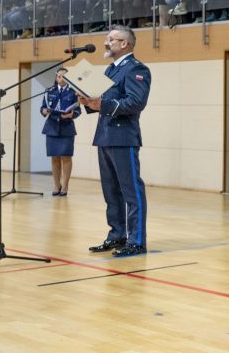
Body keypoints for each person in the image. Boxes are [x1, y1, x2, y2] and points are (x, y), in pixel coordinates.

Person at [81, 26, 152, 258]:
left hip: (123, 137)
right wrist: (89, 102)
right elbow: (105, 101)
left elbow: (136, 102)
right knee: (111, 192)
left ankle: (136, 240)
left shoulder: (136, 68)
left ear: (124, 44)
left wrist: (103, 104)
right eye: (107, 38)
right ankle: (117, 235)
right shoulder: (111, 70)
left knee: (131, 191)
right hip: (105, 135)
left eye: (111, 39)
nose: (106, 42)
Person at [40, 68, 81, 196]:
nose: (60, 78)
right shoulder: (49, 91)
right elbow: (43, 107)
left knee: (66, 157)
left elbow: (78, 110)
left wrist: (71, 114)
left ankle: (65, 186)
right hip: (51, 128)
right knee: (54, 157)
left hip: (67, 128)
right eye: (59, 76)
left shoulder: (73, 92)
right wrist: (43, 111)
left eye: (63, 76)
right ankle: (56, 185)